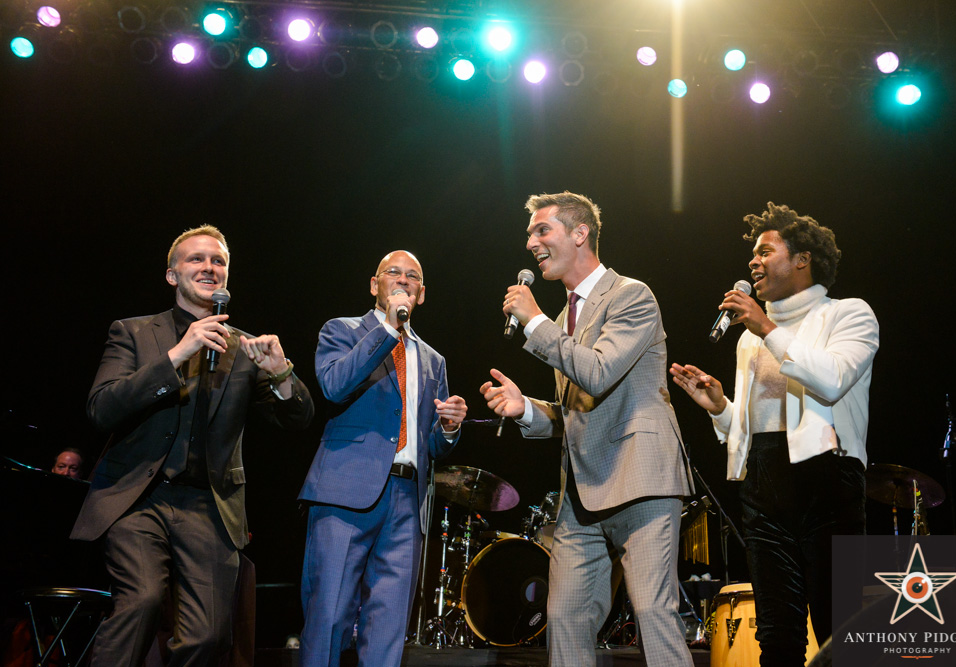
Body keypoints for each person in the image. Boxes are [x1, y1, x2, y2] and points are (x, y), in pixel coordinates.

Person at [70, 225, 314, 666]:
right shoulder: (134, 333)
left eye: (218, 261)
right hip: (139, 498)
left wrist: (280, 372)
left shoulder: (243, 346)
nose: (209, 267)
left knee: (210, 634)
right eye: (196, 259)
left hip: (208, 505)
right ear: (172, 275)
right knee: (142, 601)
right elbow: (101, 409)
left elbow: (298, 418)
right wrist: (176, 356)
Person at [480, 192, 694, 667]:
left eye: (542, 231)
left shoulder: (631, 296)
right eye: (530, 234)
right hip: (581, 493)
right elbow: (576, 409)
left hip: (640, 480)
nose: (532, 243)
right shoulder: (561, 321)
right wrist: (527, 410)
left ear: (580, 233)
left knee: (653, 613)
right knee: (566, 619)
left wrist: (532, 319)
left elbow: (598, 372)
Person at [669, 202, 878, 666]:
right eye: (753, 255)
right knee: (776, 635)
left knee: (838, 627)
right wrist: (721, 409)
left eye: (766, 251)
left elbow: (831, 380)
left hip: (827, 480)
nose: (753, 262)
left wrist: (766, 327)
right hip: (762, 486)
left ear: (802, 259)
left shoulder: (848, 314)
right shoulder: (749, 338)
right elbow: (751, 429)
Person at [298, 250, 467, 667]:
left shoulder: (433, 359)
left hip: (407, 499)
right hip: (345, 493)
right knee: (330, 616)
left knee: (388, 625)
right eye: (394, 272)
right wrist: (389, 329)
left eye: (413, 277)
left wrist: (448, 428)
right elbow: (335, 386)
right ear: (375, 285)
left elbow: (435, 446)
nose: (403, 280)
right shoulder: (342, 331)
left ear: (422, 294)